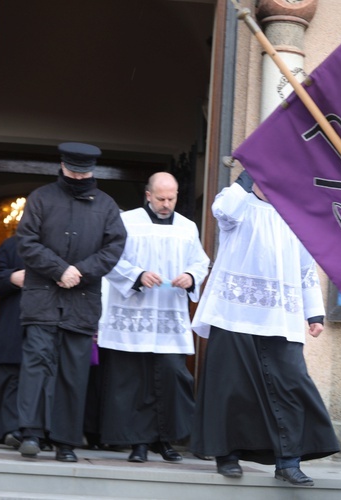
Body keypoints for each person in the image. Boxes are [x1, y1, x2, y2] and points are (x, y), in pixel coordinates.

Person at [190, 174, 340, 487]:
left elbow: (304, 268)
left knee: (291, 382)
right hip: (234, 312)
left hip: (280, 316)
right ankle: (227, 455)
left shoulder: (296, 215)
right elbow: (223, 211)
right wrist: (248, 175)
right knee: (230, 386)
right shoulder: (239, 205)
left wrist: (314, 312)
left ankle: (288, 461)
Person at [15, 142, 127, 462]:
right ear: (62, 166)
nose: (78, 177)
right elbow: (27, 241)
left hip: (82, 301)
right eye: (73, 171)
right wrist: (59, 270)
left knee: (73, 371)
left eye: (84, 172)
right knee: (36, 363)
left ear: (92, 170)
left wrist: (81, 271)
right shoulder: (41, 197)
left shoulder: (106, 206)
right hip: (42, 299)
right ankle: (31, 433)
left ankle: (65, 441)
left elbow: (114, 248)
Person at [98, 172, 210, 464]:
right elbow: (109, 258)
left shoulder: (187, 228)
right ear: (148, 195)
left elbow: (200, 262)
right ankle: (137, 443)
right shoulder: (128, 222)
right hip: (133, 316)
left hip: (168, 317)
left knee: (172, 376)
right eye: (160, 198)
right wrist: (137, 275)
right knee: (134, 380)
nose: (166, 204)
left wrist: (190, 276)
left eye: (171, 198)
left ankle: (166, 440)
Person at [0, 235, 25, 448]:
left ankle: (36, 432)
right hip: (14, 320)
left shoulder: (56, 243)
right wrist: (12, 277)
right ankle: (9, 429)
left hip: (47, 321)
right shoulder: (11, 245)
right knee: (11, 375)